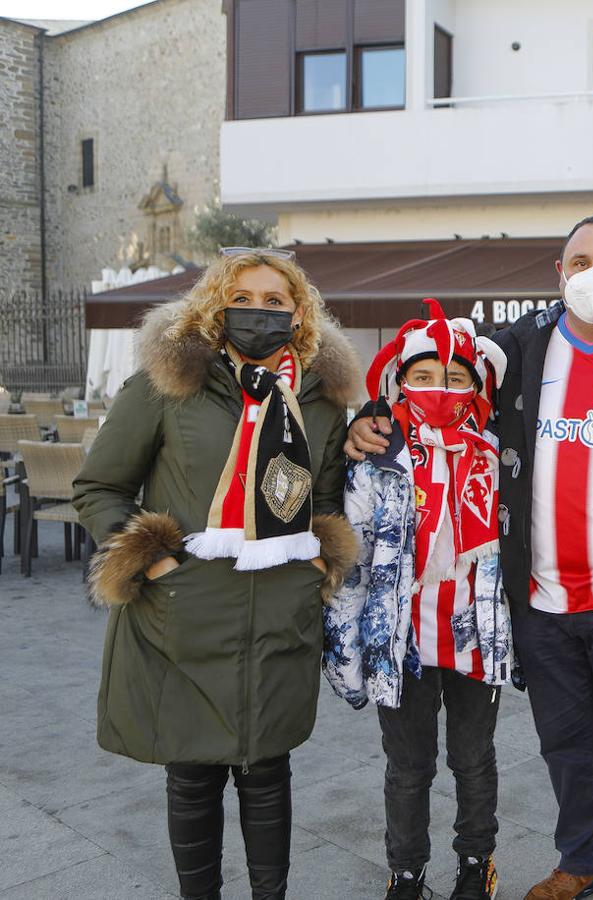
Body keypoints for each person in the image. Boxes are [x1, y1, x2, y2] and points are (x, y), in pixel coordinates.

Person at [346, 215, 593, 900]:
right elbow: (433, 386)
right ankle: (581, 859)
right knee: (566, 747)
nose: (592, 274)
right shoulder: (513, 353)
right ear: (558, 274)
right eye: (578, 261)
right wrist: (371, 412)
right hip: (540, 601)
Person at [73, 248, 361, 900]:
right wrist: (159, 563)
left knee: (268, 770)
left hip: (280, 611)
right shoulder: (166, 384)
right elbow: (100, 487)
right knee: (193, 774)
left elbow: (326, 499)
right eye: (244, 298)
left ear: (299, 312)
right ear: (214, 303)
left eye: (274, 302)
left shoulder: (317, 397)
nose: (257, 312)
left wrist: (317, 563)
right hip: (186, 611)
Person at [324, 301, 510, 900]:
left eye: (455, 379)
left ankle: (475, 863)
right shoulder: (377, 454)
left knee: (473, 760)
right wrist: (346, 641)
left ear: (477, 385)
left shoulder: (499, 453)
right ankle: (406, 871)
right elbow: (350, 558)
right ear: (400, 381)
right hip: (399, 641)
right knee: (408, 768)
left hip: (475, 636)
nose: (439, 388)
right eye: (424, 376)